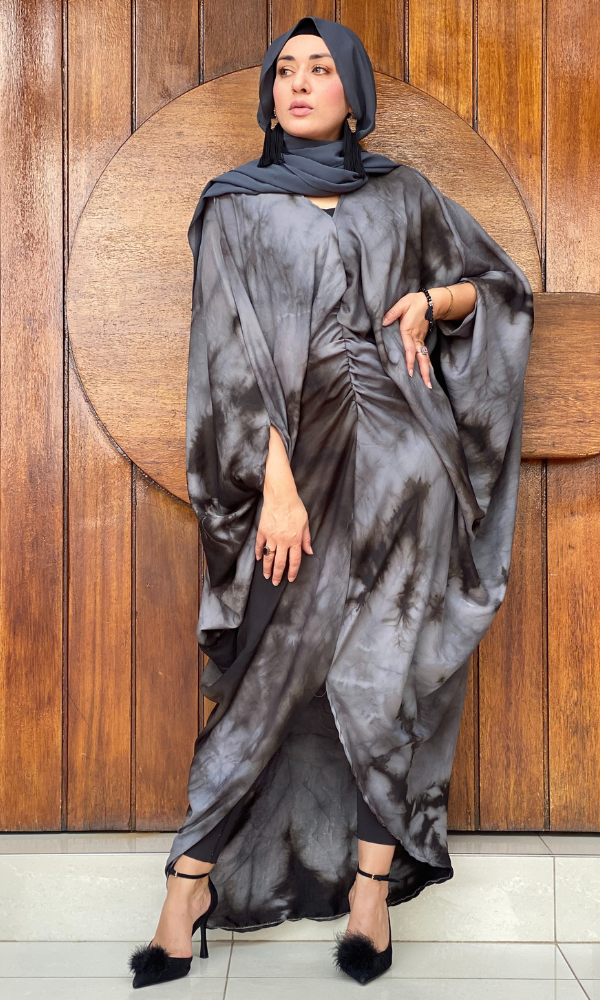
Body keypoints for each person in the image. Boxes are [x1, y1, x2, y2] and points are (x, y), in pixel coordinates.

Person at [129, 15, 533, 989]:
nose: (300, 83)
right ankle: (188, 884)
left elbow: (496, 290)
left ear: (354, 90)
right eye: (286, 70)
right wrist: (275, 485)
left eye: (320, 68)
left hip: (407, 468)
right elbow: (228, 358)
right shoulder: (234, 206)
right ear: (270, 93)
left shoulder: (404, 193)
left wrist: (432, 304)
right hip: (294, 473)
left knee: (387, 677)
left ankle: (369, 894)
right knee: (267, 672)